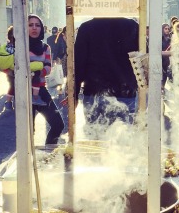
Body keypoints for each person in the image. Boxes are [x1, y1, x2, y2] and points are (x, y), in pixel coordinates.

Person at [71, 18, 139, 139]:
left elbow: (78, 64)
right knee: (124, 142)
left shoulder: (87, 27)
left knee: (96, 142)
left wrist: (74, 94)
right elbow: (144, 60)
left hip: (94, 92)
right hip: (125, 93)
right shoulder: (132, 26)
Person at [28, 14, 64, 145]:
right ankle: (29, 162)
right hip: (24, 92)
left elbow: (48, 68)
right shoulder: (19, 47)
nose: (34, 28)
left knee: (58, 124)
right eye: (30, 25)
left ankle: (49, 152)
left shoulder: (45, 48)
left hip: (42, 92)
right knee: (28, 132)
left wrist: (36, 72)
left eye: (37, 25)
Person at [161, 23, 172, 91]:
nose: (167, 30)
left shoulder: (170, 39)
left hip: (167, 61)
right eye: (165, 29)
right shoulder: (159, 39)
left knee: (165, 77)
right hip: (160, 61)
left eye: (168, 29)